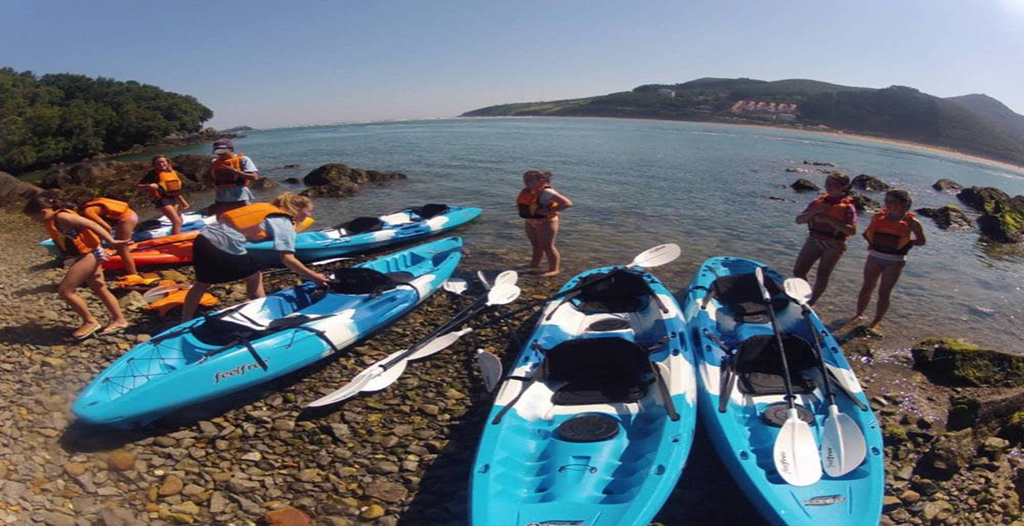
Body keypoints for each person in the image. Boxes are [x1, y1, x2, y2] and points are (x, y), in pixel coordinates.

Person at [180, 192, 329, 321]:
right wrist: (315, 277)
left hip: (202, 240)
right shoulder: (283, 221)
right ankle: (265, 312)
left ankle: (184, 319)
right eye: (309, 211)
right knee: (255, 277)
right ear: (297, 210)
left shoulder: (266, 208)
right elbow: (287, 258)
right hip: (222, 246)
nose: (310, 215)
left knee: (202, 283)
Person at [23, 195, 131, 339]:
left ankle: (90, 321)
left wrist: (112, 241)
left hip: (89, 255)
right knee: (99, 287)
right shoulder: (55, 218)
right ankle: (120, 320)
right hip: (88, 254)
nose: (34, 221)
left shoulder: (62, 217)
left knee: (65, 291)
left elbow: (92, 225)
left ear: (43, 212)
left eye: (33, 217)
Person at [853, 189, 926, 330]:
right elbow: (870, 235)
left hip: (895, 260)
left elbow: (922, 241)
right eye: (886, 201)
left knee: (884, 292)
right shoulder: (877, 217)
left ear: (904, 204)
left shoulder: (912, 222)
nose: (888, 204)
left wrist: (908, 243)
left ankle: (875, 321)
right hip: (875, 256)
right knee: (867, 287)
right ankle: (858, 315)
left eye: (892, 202)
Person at [792, 173, 857, 305]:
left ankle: (812, 302)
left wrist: (828, 219)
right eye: (827, 183)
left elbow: (852, 231)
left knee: (822, 274)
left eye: (833, 184)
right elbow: (799, 220)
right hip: (814, 240)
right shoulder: (817, 203)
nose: (828, 187)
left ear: (844, 187)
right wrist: (815, 211)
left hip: (834, 244)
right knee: (799, 270)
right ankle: (804, 296)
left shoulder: (848, 207)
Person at [517, 169, 572, 277]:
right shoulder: (528, 191)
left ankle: (554, 269)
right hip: (530, 221)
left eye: (530, 180)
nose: (526, 182)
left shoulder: (547, 192)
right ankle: (534, 265)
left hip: (546, 222)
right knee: (536, 245)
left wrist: (548, 210)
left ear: (542, 180)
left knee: (547, 246)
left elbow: (567, 203)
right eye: (525, 180)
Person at [80, 197, 140, 276]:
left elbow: (107, 227)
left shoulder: (88, 211)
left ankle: (133, 274)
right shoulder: (92, 207)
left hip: (127, 218)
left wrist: (110, 241)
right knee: (120, 248)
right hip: (130, 215)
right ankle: (123, 266)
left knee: (122, 249)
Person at [137, 155, 190, 235]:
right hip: (161, 199)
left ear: (167, 162)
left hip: (172, 198)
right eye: (158, 163)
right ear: (154, 165)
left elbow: (175, 189)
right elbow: (138, 185)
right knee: (177, 221)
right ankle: (176, 241)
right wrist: (148, 186)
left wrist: (182, 201)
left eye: (163, 162)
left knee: (180, 220)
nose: (161, 164)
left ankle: (175, 235)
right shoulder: (153, 174)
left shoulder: (171, 172)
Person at [207, 138, 258, 216]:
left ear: (230, 149)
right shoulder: (214, 162)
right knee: (222, 217)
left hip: (240, 196)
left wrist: (234, 171)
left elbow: (254, 177)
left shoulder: (243, 159)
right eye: (217, 151)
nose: (220, 154)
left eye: (222, 151)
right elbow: (210, 178)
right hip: (221, 196)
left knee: (245, 216)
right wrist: (211, 183)